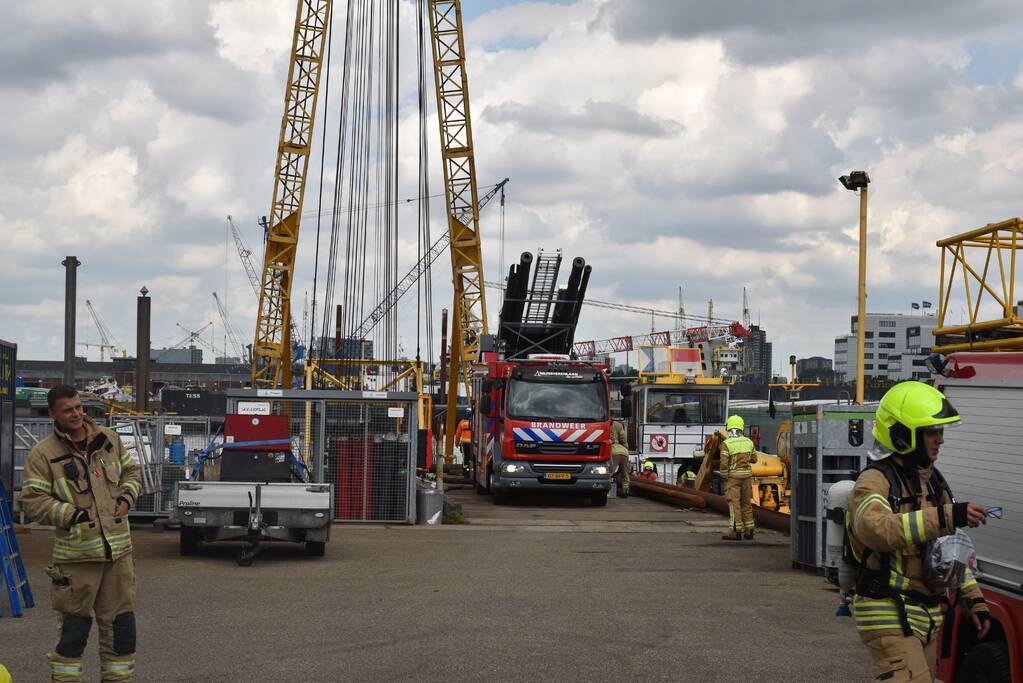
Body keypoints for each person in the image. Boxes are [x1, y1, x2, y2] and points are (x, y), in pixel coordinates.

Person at [847, 381, 989, 682]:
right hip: (888, 610)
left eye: (941, 431)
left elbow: (948, 552)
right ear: (902, 435)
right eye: (931, 431)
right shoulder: (874, 481)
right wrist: (947, 515)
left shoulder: (934, 483)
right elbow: (876, 529)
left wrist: (973, 600)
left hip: (926, 616)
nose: (940, 439)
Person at [22, 386, 142, 682]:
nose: (76, 414)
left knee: (121, 632)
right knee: (73, 636)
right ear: (53, 414)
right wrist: (73, 515)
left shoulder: (109, 440)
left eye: (78, 407)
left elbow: (132, 473)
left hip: (118, 556)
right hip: (77, 561)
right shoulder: (43, 455)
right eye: (67, 410)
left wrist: (126, 498)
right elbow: (33, 501)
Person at [720, 415, 758, 540]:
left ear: (729, 428)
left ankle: (736, 533)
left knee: (734, 504)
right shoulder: (749, 442)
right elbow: (754, 459)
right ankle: (749, 531)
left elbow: (724, 464)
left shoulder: (726, 444)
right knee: (746, 503)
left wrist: (724, 476)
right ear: (741, 427)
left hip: (733, 478)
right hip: (747, 477)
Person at [610, 419, 630, 498]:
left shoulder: (601, 424)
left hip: (613, 451)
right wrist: (626, 449)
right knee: (625, 473)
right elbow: (624, 440)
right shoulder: (619, 425)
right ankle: (625, 491)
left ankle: (608, 491)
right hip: (624, 452)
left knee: (610, 472)